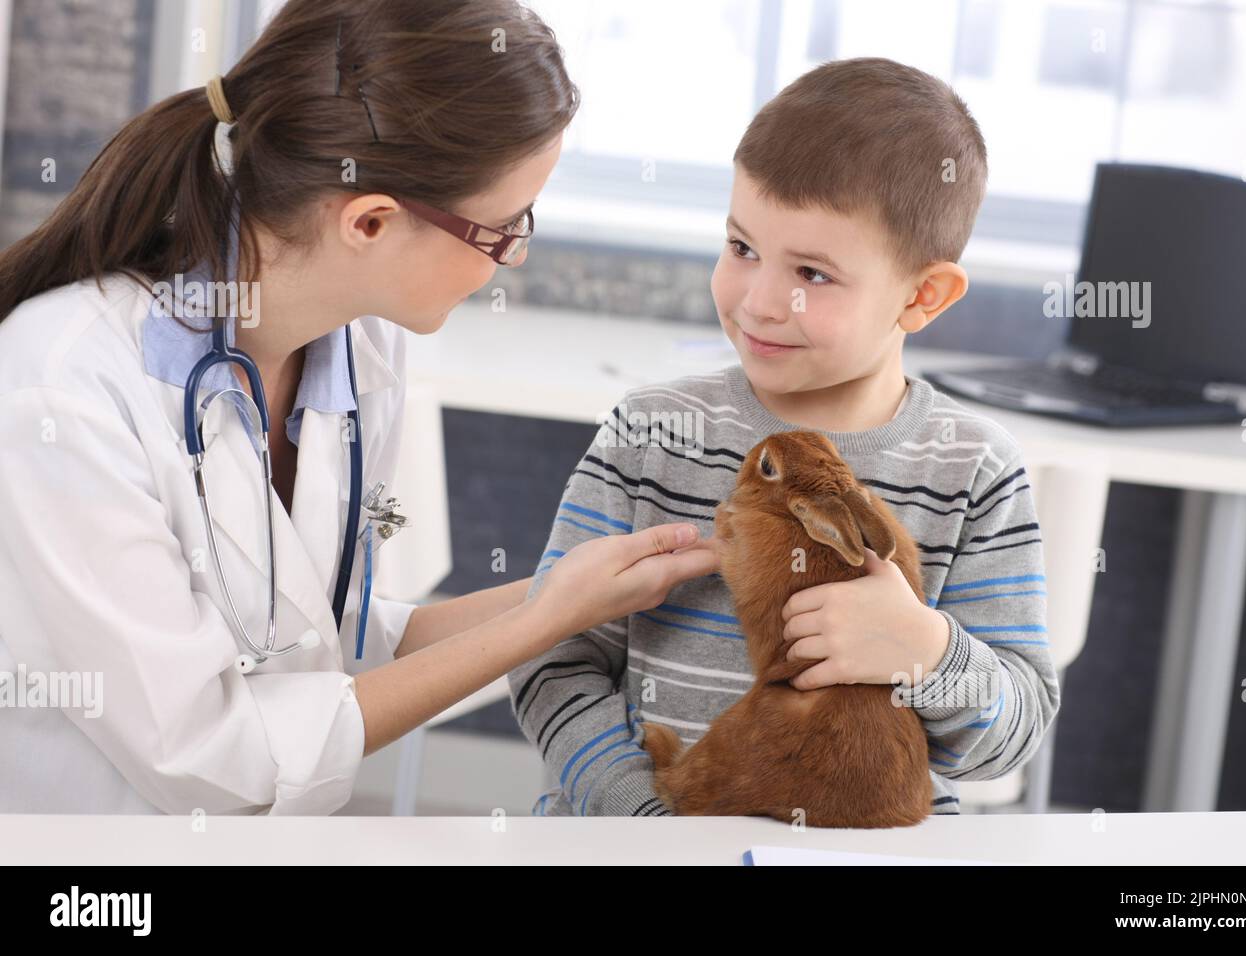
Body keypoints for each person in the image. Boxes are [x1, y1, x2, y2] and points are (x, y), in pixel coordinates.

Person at [0, 0, 718, 815]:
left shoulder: (360, 345)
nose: (515, 257)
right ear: (370, 221)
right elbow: (215, 757)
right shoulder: (66, 385)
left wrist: (578, 594)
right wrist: (541, 622)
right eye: (502, 229)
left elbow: (324, 642)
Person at [508, 58, 1061, 817]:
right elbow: (551, 657)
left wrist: (929, 654)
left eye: (813, 274)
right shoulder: (650, 432)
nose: (761, 302)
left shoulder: (976, 472)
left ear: (922, 295)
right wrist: (645, 820)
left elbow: (1013, 734)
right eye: (742, 248)